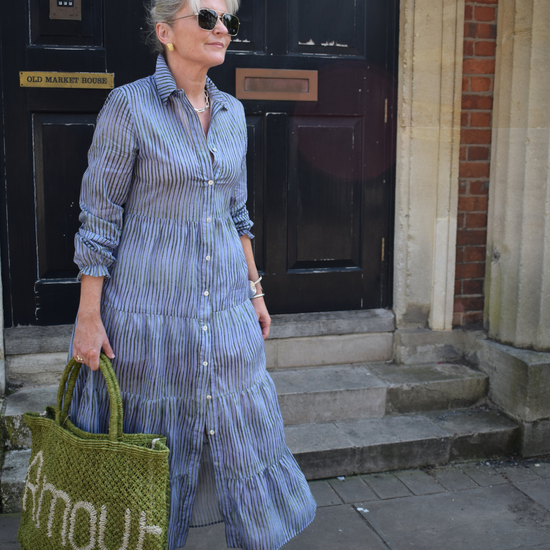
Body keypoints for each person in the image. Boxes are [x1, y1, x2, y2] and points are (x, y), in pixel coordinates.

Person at [69, 0, 316, 548]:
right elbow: (100, 217)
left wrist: (255, 292)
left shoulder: (231, 114)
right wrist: (89, 316)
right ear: (165, 32)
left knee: (241, 427)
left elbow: (237, 213)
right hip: (146, 314)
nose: (221, 28)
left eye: (227, 19)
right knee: (152, 440)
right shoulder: (128, 107)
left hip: (225, 305)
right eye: (206, 17)